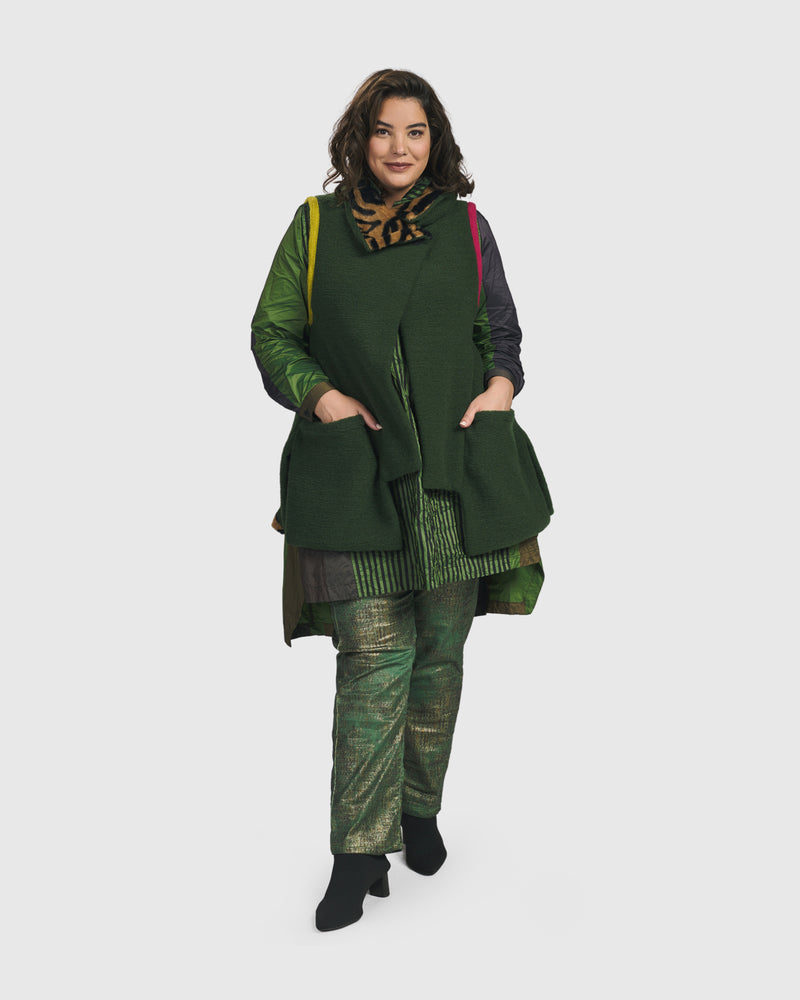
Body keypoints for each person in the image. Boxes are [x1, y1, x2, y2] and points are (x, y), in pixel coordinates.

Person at [251, 68, 554, 932]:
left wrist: (498, 389)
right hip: (354, 474)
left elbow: (501, 331)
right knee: (371, 662)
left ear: (435, 142)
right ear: (360, 138)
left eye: (415, 132)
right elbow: (272, 332)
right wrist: (322, 397)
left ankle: (418, 810)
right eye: (384, 130)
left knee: (438, 659)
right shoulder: (315, 227)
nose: (399, 147)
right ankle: (358, 853)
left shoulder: (468, 227)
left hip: (454, 479)